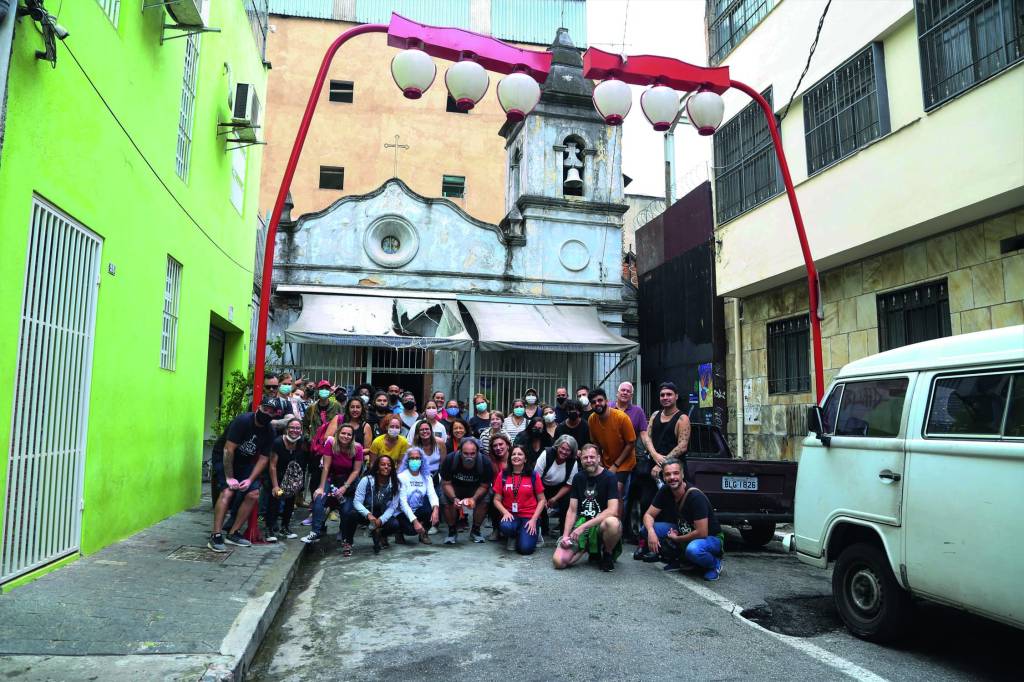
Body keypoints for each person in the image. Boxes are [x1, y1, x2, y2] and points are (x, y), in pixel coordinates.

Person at [209, 399, 275, 552]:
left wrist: (250, 479)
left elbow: (264, 459)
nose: (268, 414)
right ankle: (216, 534)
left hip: (244, 462)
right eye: (266, 409)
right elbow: (228, 450)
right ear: (259, 407)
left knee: (253, 493)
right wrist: (230, 477)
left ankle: (233, 533)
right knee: (228, 491)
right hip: (224, 457)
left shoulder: (269, 431)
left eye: (272, 412)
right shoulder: (243, 421)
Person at [642, 458, 723, 580]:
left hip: (711, 538)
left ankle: (715, 564)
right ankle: (681, 560)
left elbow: (702, 532)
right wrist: (651, 532)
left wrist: (677, 539)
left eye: (676, 473)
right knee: (646, 529)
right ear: (663, 477)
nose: (672, 477)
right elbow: (648, 515)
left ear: (683, 475)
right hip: (685, 530)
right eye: (668, 474)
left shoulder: (695, 496)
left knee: (693, 549)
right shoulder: (665, 490)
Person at [552, 443, 622, 572]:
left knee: (612, 523)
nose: (589, 460)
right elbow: (572, 510)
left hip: (601, 525)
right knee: (559, 562)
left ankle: (607, 553)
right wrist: (566, 536)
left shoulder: (610, 477)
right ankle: (585, 548)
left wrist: (584, 527)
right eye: (585, 458)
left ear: (599, 458)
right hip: (581, 525)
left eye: (592, 457)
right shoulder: (578, 478)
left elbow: (612, 510)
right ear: (581, 459)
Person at [302, 423, 364, 546]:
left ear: (352, 437)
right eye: (343, 433)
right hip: (331, 478)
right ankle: (316, 531)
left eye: (349, 434)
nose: (345, 436)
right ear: (338, 434)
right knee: (318, 498)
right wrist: (320, 487)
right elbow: (326, 466)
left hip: (348, 481)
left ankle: (344, 531)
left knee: (346, 508)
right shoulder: (331, 444)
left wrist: (345, 486)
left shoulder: (357, 448)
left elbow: (356, 470)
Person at [587, 388, 637, 537]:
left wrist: (616, 465)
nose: (598, 404)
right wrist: (600, 462)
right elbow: (595, 444)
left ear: (607, 401)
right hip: (606, 461)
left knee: (617, 489)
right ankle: (604, 524)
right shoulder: (592, 420)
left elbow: (631, 443)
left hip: (624, 461)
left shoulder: (621, 417)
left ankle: (617, 529)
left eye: (600, 400)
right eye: (594, 402)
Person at [492, 446, 546, 555]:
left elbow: (542, 500)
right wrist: (505, 512)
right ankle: (514, 535)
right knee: (505, 526)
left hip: (529, 516)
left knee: (525, 550)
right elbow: (496, 500)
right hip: (511, 515)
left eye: (520, 454)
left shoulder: (533, 475)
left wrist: (534, 519)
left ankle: (535, 533)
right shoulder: (503, 475)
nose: (516, 456)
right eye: (514, 454)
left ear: (525, 459)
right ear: (510, 458)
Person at [440, 438, 494, 544]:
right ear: (460, 451)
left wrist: (474, 499)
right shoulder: (450, 459)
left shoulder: (485, 462)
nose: (469, 457)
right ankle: (452, 530)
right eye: (466, 453)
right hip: (455, 487)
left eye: (472, 454)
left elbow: (485, 485)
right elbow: (446, 483)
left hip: (476, 488)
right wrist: (454, 498)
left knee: (486, 498)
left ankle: (476, 530)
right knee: (444, 498)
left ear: (477, 452)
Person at [345, 454, 402, 555]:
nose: (386, 467)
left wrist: (381, 520)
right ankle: (348, 543)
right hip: (366, 513)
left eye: (389, 465)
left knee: (395, 524)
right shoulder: (366, 480)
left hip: (381, 513)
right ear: (377, 467)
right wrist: (368, 515)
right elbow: (357, 501)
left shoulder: (395, 483)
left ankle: (380, 534)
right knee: (351, 514)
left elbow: (393, 506)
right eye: (383, 464)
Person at [614, 382, 649, 542]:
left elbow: (644, 433)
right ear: (617, 392)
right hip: (609, 459)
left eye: (628, 391)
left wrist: (652, 451)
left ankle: (618, 529)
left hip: (628, 460)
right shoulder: (608, 408)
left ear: (632, 395)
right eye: (623, 390)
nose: (625, 393)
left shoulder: (637, 411)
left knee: (624, 496)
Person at [266, 418, 308, 540]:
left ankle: (285, 527)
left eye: (297, 428)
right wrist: (275, 485)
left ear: (301, 430)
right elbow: (272, 466)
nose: (294, 430)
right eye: (292, 428)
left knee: (290, 502)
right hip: (277, 477)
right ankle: (270, 529)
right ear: (287, 429)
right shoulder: (278, 442)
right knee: (275, 500)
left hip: (291, 479)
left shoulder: (301, 443)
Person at [641, 381, 691, 483]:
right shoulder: (655, 415)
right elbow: (647, 438)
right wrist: (654, 454)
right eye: (662, 395)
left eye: (669, 394)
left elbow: (682, 446)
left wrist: (663, 464)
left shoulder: (682, 419)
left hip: (674, 470)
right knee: (647, 499)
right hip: (651, 468)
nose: (665, 397)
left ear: (676, 396)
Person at [533, 435, 579, 538]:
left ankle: (564, 532)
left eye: (568, 450)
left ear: (572, 452)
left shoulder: (573, 462)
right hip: (541, 485)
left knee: (568, 500)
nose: (564, 452)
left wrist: (554, 499)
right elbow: (536, 479)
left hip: (561, 487)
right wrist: (543, 498)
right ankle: (542, 529)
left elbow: (569, 485)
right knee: (538, 501)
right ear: (557, 446)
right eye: (562, 448)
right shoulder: (546, 454)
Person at [397, 447, 439, 544]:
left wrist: (436, 510)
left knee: (431, 507)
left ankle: (423, 533)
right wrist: (415, 522)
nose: (415, 461)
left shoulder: (427, 477)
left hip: (418, 507)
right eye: (412, 458)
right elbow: (402, 503)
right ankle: (399, 532)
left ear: (422, 460)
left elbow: (432, 494)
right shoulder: (401, 477)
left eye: (417, 458)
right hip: (403, 511)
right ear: (407, 461)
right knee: (411, 531)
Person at [484, 433, 512, 540]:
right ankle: (496, 529)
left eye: (501, 444)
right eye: (495, 446)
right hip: (499, 492)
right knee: (491, 494)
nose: (498, 448)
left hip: (516, 491)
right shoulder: (491, 462)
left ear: (508, 445)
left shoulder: (516, 457)